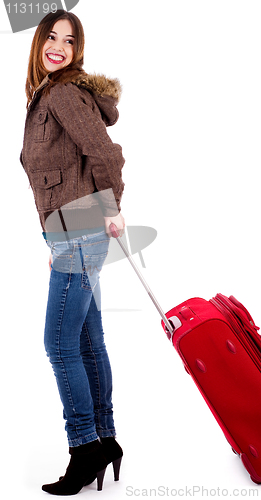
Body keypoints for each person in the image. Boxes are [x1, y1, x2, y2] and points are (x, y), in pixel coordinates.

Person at [20, 9, 125, 495]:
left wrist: (112, 207)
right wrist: (58, 235)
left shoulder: (63, 92)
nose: (59, 46)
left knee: (59, 345)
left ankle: (85, 448)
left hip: (81, 230)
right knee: (85, 341)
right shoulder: (49, 93)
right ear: (39, 42)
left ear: (77, 48)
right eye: (51, 37)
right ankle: (105, 437)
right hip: (72, 232)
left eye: (69, 39)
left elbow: (104, 152)